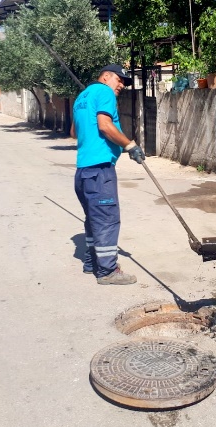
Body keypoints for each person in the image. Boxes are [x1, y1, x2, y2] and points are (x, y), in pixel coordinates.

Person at [70, 64, 145, 285]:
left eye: (124, 82)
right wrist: (130, 145)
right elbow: (104, 126)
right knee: (107, 219)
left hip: (83, 172)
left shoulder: (82, 97)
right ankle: (107, 271)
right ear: (105, 77)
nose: (121, 85)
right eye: (119, 80)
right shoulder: (103, 92)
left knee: (94, 219)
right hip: (100, 170)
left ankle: (91, 263)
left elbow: (74, 132)